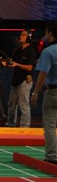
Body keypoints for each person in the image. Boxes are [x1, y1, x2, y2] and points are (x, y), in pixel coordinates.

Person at [31, 21, 57, 164]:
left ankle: (52, 156)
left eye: (46, 32)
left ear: (51, 33)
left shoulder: (48, 52)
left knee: (50, 125)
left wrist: (35, 92)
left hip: (53, 92)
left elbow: (43, 74)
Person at [2, 30, 36, 128]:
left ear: (29, 37)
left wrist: (17, 64)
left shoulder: (30, 51)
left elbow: (29, 67)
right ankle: (11, 124)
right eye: (21, 35)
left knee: (24, 105)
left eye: (24, 35)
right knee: (11, 104)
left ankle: (25, 126)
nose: (21, 36)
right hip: (16, 80)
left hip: (24, 80)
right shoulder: (17, 51)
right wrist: (2, 64)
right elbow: (11, 63)